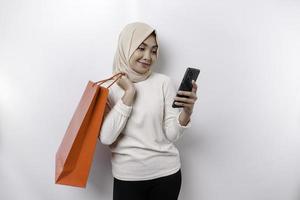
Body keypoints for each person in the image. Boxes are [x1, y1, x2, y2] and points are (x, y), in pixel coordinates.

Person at [99, 22, 198, 200]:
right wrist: (129, 93)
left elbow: (172, 134)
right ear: (126, 47)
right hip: (127, 177)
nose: (148, 57)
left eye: (153, 50)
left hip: (167, 175)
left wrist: (186, 113)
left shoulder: (164, 83)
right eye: (141, 48)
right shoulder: (109, 87)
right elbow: (106, 137)